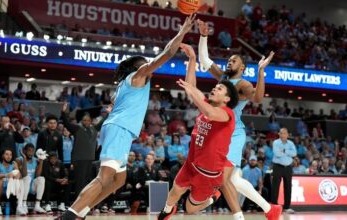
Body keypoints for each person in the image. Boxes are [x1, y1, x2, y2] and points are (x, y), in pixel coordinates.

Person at [59, 14, 195, 220]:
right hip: (119, 129)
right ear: (138, 67)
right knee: (104, 178)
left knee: (118, 180)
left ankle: (82, 211)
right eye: (145, 63)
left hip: (117, 128)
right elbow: (167, 53)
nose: (149, 65)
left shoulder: (124, 85)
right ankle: (69, 215)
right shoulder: (138, 76)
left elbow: (115, 104)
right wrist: (182, 31)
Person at [198, 19, 281, 220]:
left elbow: (258, 98)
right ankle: (271, 210)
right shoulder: (222, 79)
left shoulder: (243, 84)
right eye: (229, 59)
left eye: (234, 60)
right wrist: (203, 36)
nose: (229, 61)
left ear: (242, 67)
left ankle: (233, 211)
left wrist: (261, 72)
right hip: (218, 133)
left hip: (234, 134)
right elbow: (204, 59)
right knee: (234, 179)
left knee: (224, 178)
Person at [158, 43, 239, 219]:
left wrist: (191, 91)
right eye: (215, 87)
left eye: (219, 89)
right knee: (175, 191)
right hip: (191, 163)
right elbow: (192, 87)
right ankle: (167, 210)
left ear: (227, 98)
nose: (214, 88)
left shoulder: (227, 114)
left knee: (189, 209)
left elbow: (208, 111)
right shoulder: (207, 105)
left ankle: (213, 198)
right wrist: (192, 59)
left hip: (208, 173)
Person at [61, 102, 110, 198]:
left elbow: (103, 122)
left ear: (91, 121)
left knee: (88, 182)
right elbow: (66, 123)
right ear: (82, 121)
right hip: (80, 160)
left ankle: (86, 202)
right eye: (84, 120)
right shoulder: (77, 129)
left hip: (90, 160)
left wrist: (108, 113)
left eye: (88, 120)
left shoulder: (94, 129)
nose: (86, 121)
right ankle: (78, 203)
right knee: (80, 182)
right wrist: (63, 112)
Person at [271, 128, 297, 214]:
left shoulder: (291, 143)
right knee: (275, 187)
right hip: (278, 166)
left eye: (284, 133)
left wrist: (284, 150)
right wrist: (288, 153)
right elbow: (277, 154)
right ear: (279, 134)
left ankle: (287, 207)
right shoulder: (276, 143)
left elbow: (294, 153)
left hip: (288, 167)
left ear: (287, 135)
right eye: (281, 133)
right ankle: (274, 206)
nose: (283, 135)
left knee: (288, 187)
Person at [16, 144, 46, 214]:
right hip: (21, 187)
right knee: (27, 178)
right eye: (29, 151)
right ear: (24, 151)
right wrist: (24, 159)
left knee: (41, 178)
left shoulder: (35, 160)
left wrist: (41, 161)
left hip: (31, 186)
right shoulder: (19, 160)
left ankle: (37, 205)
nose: (31, 153)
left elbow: (37, 175)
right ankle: (23, 204)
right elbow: (24, 174)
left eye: (32, 151)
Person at [0, 148, 23, 215]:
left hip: (11, 188)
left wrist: (18, 175)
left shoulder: (14, 163)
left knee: (21, 181)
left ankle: (19, 207)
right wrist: (6, 175)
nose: (9, 156)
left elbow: (19, 175)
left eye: (10, 155)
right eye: (6, 154)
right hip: (0, 188)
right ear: (2, 155)